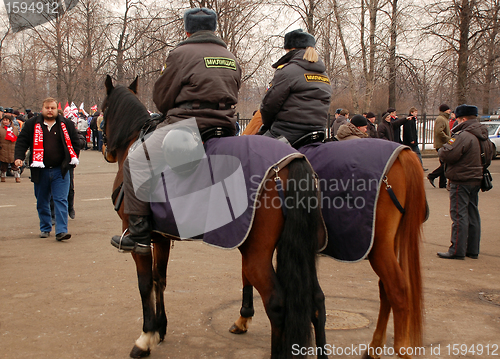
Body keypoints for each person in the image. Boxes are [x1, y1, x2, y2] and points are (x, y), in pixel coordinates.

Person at [111, 7, 242, 254]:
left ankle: (138, 235)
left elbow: (162, 98)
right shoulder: (230, 56)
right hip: (225, 126)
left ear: (187, 29)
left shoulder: (180, 53)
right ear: (213, 29)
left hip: (187, 126)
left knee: (134, 162)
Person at [14, 97, 80, 241]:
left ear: (57, 109)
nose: (50, 111)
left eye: (53, 108)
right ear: (42, 108)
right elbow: (22, 141)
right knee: (42, 201)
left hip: (60, 171)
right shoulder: (32, 124)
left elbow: (76, 142)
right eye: (47, 108)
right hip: (40, 170)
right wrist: (19, 157)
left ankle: (61, 231)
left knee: (61, 200)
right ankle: (45, 227)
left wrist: (71, 159)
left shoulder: (66, 124)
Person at [437, 104, 494, 260]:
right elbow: (490, 155)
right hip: (477, 178)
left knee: (459, 215)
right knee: (472, 213)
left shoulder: (463, 136)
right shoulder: (483, 134)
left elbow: (447, 154)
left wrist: (443, 148)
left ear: (462, 119)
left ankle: (457, 250)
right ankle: (472, 249)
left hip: (461, 179)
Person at [258, 29, 331, 145]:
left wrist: (267, 125)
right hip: (318, 131)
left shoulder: (287, 71)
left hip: (288, 132)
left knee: (254, 149)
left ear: (290, 49)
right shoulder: (324, 75)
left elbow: (269, 106)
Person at [427, 104, 451, 188]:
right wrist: (448, 139)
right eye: (448, 109)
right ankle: (432, 176)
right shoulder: (441, 119)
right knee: (445, 165)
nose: (450, 111)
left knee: (444, 164)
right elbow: (439, 131)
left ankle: (442, 183)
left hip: (443, 144)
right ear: (444, 110)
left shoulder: (444, 118)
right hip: (442, 145)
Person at [0, 115, 20, 183]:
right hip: (3, 149)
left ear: (10, 121)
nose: (5, 122)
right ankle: (3, 176)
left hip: (12, 149)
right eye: (4, 120)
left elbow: (18, 138)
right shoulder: (0, 129)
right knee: (3, 165)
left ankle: (17, 177)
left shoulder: (14, 129)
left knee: (14, 165)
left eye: (6, 120)